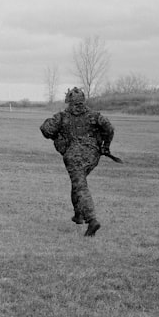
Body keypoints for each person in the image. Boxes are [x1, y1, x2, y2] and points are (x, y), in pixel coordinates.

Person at [39, 87, 115, 236]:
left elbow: (46, 129)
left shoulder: (62, 116)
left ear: (69, 101)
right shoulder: (95, 116)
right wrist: (106, 146)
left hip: (74, 157)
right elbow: (109, 128)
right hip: (93, 156)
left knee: (80, 185)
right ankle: (78, 215)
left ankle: (91, 220)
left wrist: (55, 131)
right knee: (78, 182)